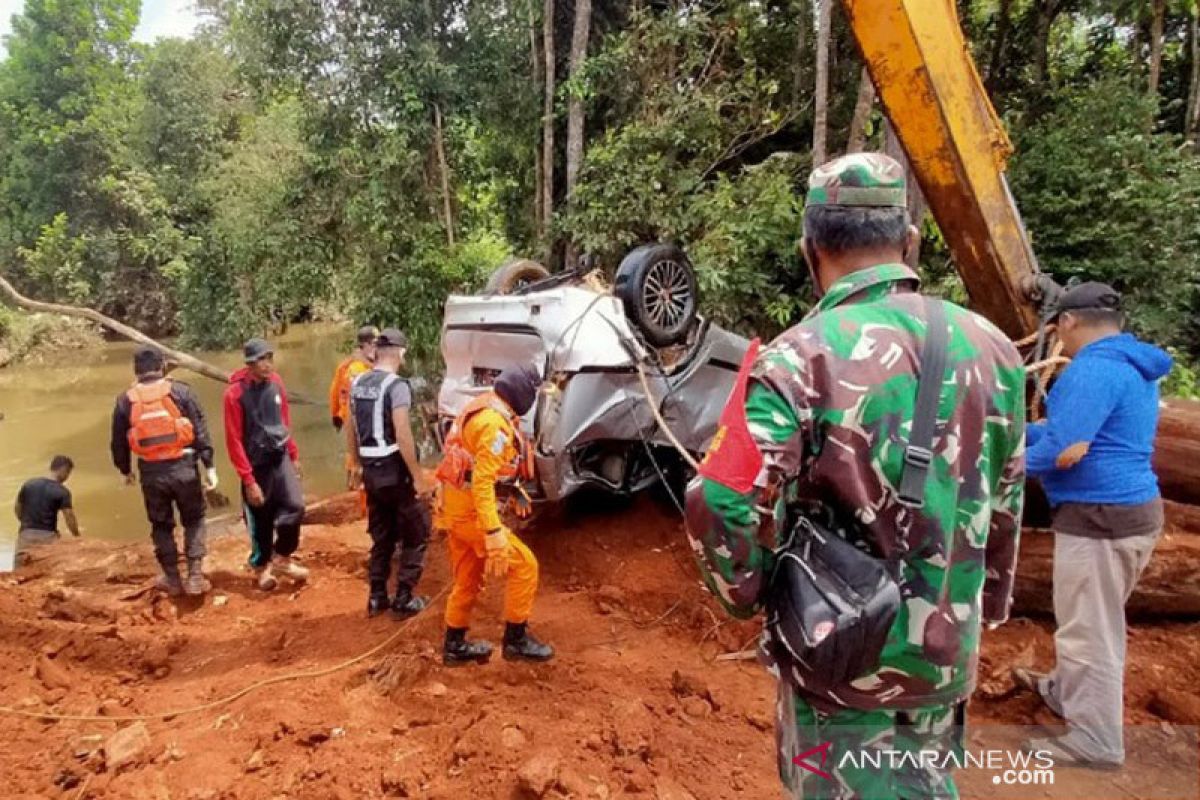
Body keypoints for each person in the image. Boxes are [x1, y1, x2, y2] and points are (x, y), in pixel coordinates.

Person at [685, 153, 1027, 799]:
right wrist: (983, 604)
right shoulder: (995, 349)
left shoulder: (797, 357)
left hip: (839, 665)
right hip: (945, 656)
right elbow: (1004, 499)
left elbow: (721, 495)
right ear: (911, 242)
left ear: (809, 248)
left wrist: (747, 593)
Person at [1013, 282, 1172, 768]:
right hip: (1130, 511)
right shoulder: (1128, 365)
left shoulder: (1091, 371)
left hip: (1100, 517)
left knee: (1089, 631)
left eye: (1058, 326)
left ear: (1069, 323)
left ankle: (1097, 739)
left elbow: (1065, 451)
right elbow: (1073, 435)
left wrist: (1004, 460)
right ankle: (1067, 692)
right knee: (1093, 618)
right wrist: (1021, 432)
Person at [434, 363, 553, 665]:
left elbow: (476, 468)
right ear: (523, 395)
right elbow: (483, 484)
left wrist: (513, 488)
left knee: (467, 580)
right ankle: (515, 640)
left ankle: (453, 647)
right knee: (525, 566)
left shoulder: (483, 406)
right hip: (471, 516)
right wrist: (493, 532)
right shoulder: (494, 426)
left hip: (454, 507)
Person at [110, 346, 218, 596]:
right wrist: (209, 465)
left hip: (151, 472)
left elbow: (118, 442)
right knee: (194, 518)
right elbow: (200, 431)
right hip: (184, 467)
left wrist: (125, 470)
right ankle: (195, 575)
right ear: (162, 366)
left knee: (161, 524)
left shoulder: (125, 400)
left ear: (136, 371)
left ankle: (172, 578)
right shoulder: (181, 392)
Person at [345, 328, 434, 618]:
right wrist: (418, 478)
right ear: (399, 352)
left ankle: (377, 596)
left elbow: (351, 428)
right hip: (394, 468)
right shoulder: (396, 386)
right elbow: (404, 433)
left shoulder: (358, 382)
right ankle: (405, 597)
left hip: (371, 469)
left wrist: (357, 464)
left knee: (382, 535)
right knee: (417, 531)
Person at [223, 337, 308, 591]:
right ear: (250, 363)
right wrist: (248, 480)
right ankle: (261, 568)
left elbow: (284, 420)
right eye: (262, 360)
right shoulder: (234, 394)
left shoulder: (276, 383)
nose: (268, 365)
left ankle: (283, 557)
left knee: (295, 506)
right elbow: (233, 439)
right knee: (261, 519)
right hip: (255, 464)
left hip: (278, 455)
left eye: (270, 358)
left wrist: (293, 454)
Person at [14, 455, 79, 561]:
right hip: (48, 538)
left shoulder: (29, 484)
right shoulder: (62, 491)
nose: (67, 477)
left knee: (19, 571)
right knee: (49, 571)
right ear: (63, 469)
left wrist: (27, 524)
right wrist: (77, 537)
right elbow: (69, 517)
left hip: (25, 535)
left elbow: (17, 508)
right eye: (68, 473)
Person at [329, 325, 378, 433]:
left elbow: (334, 392)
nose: (378, 348)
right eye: (375, 344)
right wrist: (337, 417)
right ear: (365, 345)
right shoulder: (356, 369)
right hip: (360, 422)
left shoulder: (364, 363)